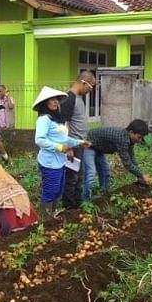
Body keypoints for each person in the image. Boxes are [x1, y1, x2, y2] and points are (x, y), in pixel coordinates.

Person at [33, 86, 90, 220]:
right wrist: (58, 147)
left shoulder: (56, 120)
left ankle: (51, 216)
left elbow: (65, 140)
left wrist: (80, 142)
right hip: (49, 162)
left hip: (59, 162)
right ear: (44, 103)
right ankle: (45, 220)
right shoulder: (44, 120)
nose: (55, 102)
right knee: (50, 191)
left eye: (56, 100)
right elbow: (39, 140)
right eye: (51, 100)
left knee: (58, 191)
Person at [82, 120, 152, 202]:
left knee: (105, 172)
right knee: (91, 172)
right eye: (139, 137)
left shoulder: (130, 140)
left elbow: (131, 158)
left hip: (99, 147)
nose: (140, 140)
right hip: (89, 143)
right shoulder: (122, 139)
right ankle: (86, 201)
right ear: (131, 132)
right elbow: (127, 163)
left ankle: (104, 197)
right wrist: (141, 175)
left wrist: (140, 175)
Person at [59, 71, 96, 210]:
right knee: (72, 177)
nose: (90, 91)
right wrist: (67, 147)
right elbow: (63, 124)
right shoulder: (69, 98)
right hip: (73, 144)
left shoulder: (79, 98)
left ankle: (77, 203)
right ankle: (69, 206)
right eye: (90, 87)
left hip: (80, 144)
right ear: (83, 83)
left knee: (79, 175)